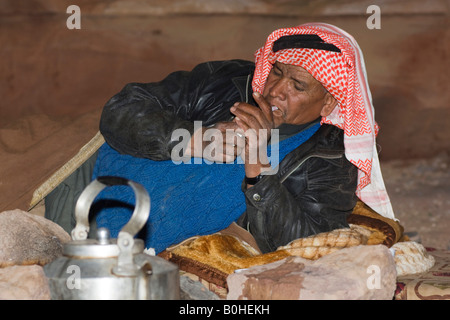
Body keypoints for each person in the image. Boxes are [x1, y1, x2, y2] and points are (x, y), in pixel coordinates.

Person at [47, 23, 396, 254]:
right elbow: (123, 107)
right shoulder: (223, 82)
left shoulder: (331, 156)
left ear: (330, 100)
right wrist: (188, 139)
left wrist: (258, 168)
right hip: (83, 195)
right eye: (276, 71)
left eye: (297, 86)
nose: (274, 91)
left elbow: (305, 243)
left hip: (157, 255)